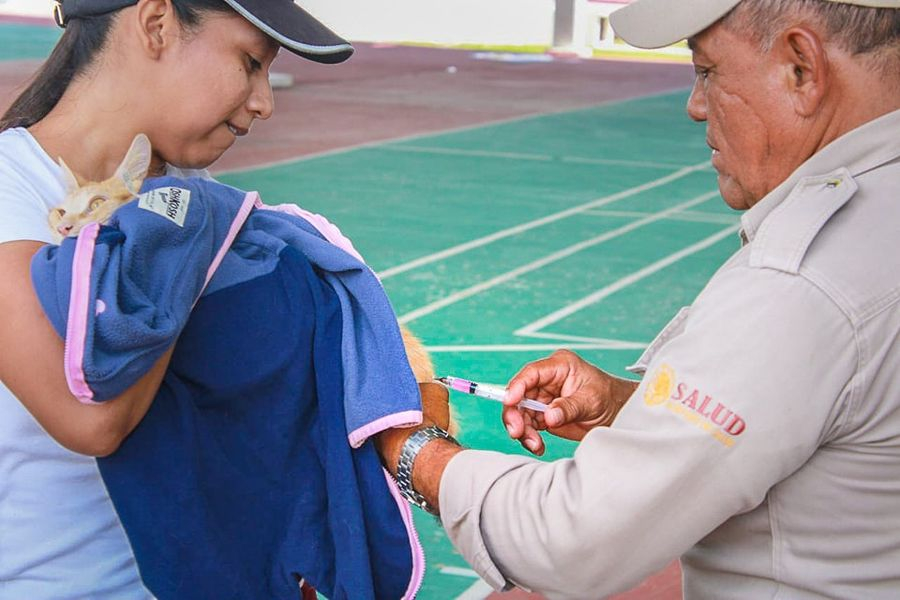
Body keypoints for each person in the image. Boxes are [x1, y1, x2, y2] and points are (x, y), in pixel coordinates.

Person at [377, 0, 900, 598]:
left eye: (708, 71)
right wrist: (632, 408)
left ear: (800, 67)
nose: (695, 105)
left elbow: (569, 540)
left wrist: (405, 441)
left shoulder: (804, 286)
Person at [0, 0, 367, 596]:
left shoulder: (192, 204)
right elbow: (91, 419)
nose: (264, 102)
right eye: (250, 62)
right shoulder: (15, 188)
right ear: (156, 23)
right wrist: (189, 241)